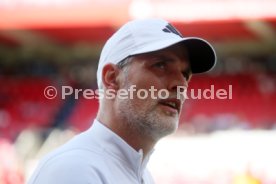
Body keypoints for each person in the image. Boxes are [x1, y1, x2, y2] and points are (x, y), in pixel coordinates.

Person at [28, 18, 216, 184]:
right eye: (161, 65)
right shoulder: (74, 170)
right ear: (112, 78)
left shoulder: (139, 173)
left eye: (185, 74)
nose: (181, 84)